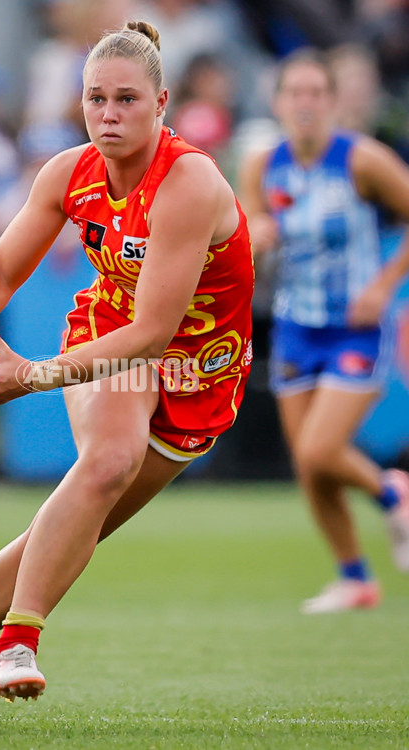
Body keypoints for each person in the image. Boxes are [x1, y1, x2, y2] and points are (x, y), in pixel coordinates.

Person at [0, 20, 254, 730]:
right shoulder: (68, 171)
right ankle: (16, 644)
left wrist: (28, 375)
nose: (107, 114)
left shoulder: (189, 181)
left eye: (127, 100)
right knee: (106, 462)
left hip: (195, 373)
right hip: (110, 339)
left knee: (73, 525)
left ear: (161, 104)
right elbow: (1, 267)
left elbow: (157, 333)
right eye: (95, 98)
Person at [239, 48, 409, 615]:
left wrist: (385, 286)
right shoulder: (264, 165)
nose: (306, 103)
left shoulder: (362, 160)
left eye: (316, 92)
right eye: (296, 93)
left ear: (333, 101)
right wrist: (256, 232)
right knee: (309, 464)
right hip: (295, 326)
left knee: (321, 446)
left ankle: (394, 492)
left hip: (355, 328)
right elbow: (245, 229)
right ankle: (355, 578)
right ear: (278, 101)